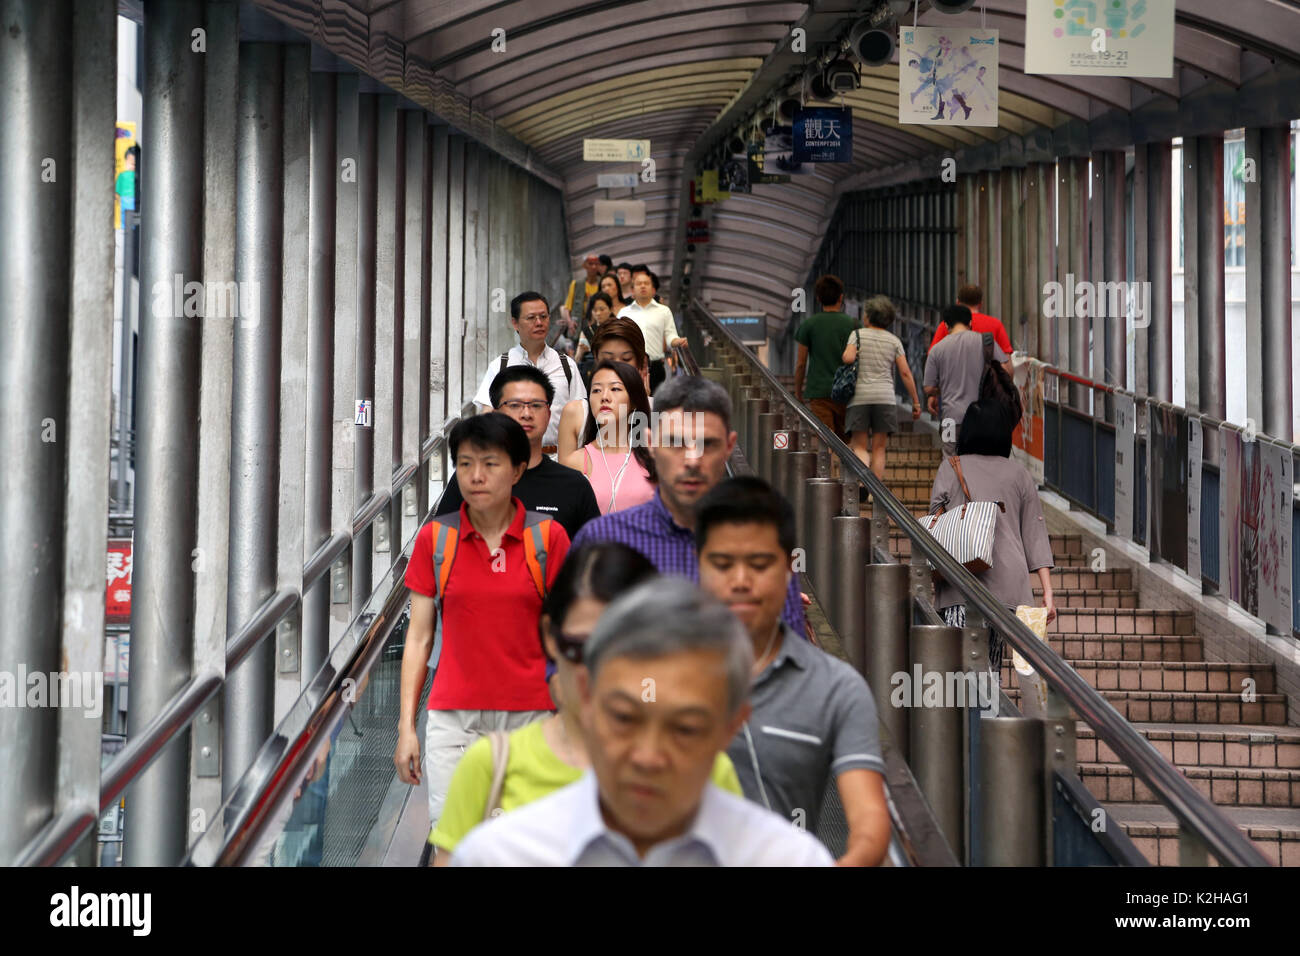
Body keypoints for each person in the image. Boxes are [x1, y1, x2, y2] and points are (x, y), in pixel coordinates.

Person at [451, 577, 834, 866]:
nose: (648, 756)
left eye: (684, 728)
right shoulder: (498, 855)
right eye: (625, 719)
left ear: (732, 725)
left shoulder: (788, 858)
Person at [428, 544, 745, 864]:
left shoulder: (707, 773)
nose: (601, 671)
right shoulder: (491, 766)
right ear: (551, 638)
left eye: (622, 648)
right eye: (581, 649)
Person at [696, 477, 890, 866]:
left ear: (788, 568)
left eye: (759, 563)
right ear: (699, 566)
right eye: (722, 564)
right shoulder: (654, 675)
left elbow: (869, 822)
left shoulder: (836, 688)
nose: (740, 581)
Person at [395, 414, 572, 828]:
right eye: (465, 463)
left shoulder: (548, 539)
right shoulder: (435, 539)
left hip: (533, 716)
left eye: (490, 464)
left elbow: (570, 635)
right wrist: (406, 727)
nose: (476, 476)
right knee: (454, 841)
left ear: (517, 470)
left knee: (528, 844)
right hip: (454, 720)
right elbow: (419, 639)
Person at [571, 376, 807, 634]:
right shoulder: (601, 540)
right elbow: (569, 652)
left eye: (707, 444)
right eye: (676, 442)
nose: (693, 460)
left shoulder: (766, 545)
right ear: (650, 444)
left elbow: (791, 658)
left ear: (729, 447)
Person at [928, 398, 1056, 677]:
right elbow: (1035, 535)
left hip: (961, 583)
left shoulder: (950, 467)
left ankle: (966, 719)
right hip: (1006, 589)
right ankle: (987, 716)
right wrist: (1047, 592)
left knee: (959, 671)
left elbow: (935, 520)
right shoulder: (1020, 474)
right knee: (991, 669)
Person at [438, 366, 599, 540]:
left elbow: (594, 555)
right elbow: (439, 543)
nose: (526, 414)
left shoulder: (573, 485)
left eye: (536, 405)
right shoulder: (473, 479)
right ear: (495, 413)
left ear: (549, 414)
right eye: (515, 405)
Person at [472, 291, 585, 451]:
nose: (539, 322)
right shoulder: (500, 366)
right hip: (514, 457)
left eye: (544, 317)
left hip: (558, 458)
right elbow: (487, 415)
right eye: (531, 318)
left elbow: (580, 413)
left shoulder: (566, 365)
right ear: (515, 323)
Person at [556, 360, 656, 514]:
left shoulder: (654, 456)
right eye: (596, 390)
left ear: (634, 401)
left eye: (615, 389)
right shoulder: (575, 461)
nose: (604, 397)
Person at [840, 295, 923, 480]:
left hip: (860, 397)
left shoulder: (857, 335)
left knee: (860, 446)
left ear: (868, 316)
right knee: (879, 448)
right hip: (885, 399)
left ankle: (862, 482)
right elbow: (905, 373)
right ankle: (874, 494)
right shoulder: (894, 341)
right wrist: (916, 402)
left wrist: (850, 353)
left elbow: (848, 358)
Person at [923, 304, 1008, 455]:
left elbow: (929, 388)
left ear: (946, 325)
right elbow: (1006, 371)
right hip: (983, 418)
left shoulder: (937, 349)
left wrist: (942, 388)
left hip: (950, 418)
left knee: (951, 462)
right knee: (980, 460)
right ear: (970, 323)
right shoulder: (986, 342)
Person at [793, 274, 857, 438]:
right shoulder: (853, 325)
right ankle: (845, 464)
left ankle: (828, 464)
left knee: (827, 439)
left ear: (818, 298)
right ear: (841, 297)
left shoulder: (809, 325)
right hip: (848, 391)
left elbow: (801, 363)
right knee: (847, 441)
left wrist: (798, 392)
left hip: (819, 392)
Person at [618, 266, 684, 393]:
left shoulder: (664, 311)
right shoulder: (623, 313)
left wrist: (677, 342)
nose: (643, 286)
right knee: (630, 405)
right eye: (639, 284)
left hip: (656, 367)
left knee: (655, 408)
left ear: (653, 290)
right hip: (630, 366)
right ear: (632, 291)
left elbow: (670, 336)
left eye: (646, 283)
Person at [927, 284, 1012, 356]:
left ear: (958, 302)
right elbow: (1006, 359)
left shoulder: (948, 324)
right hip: (987, 375)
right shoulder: (995, 324)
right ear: (980, 304)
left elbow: (932, 355)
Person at [563, 253, 603, 331]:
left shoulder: (602, 283)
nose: (593, 267)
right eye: (590, 264)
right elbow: (567, 308)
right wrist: (569, 322)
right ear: (584, 266)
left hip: (597, 324)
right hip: (578, 325)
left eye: (596, 264)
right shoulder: (576, 284)